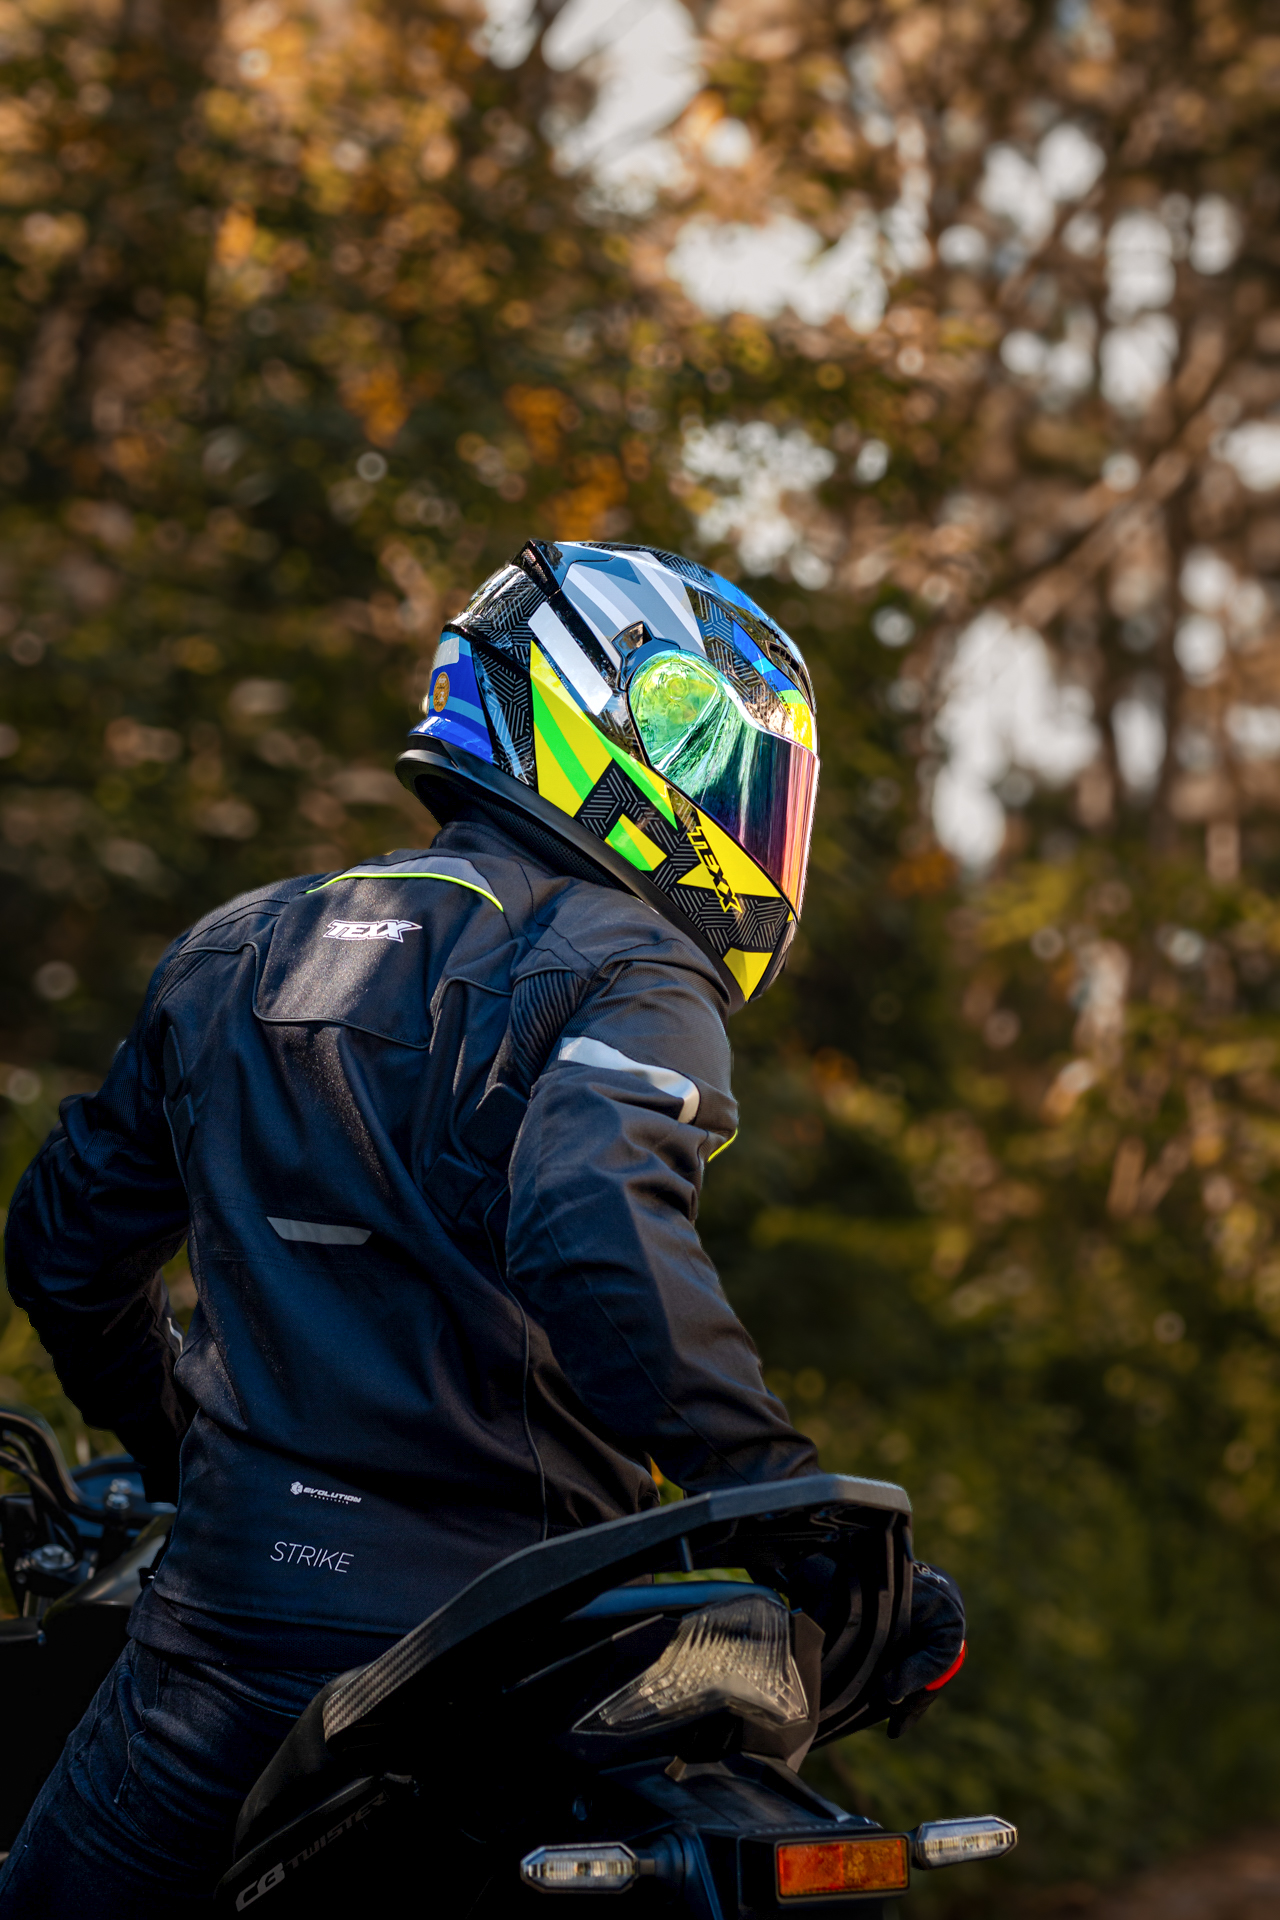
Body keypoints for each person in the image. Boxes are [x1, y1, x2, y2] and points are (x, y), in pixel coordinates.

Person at [0, 540, 963, 1915]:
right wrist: (793, 1515)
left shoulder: (236, 950)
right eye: (705, 748)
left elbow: (62, 1252)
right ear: (584, 723)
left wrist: (173, 1449)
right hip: (512, 1643)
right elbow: (589, 1222)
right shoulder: (632, 967)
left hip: (232, 1639)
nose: (739, 806)